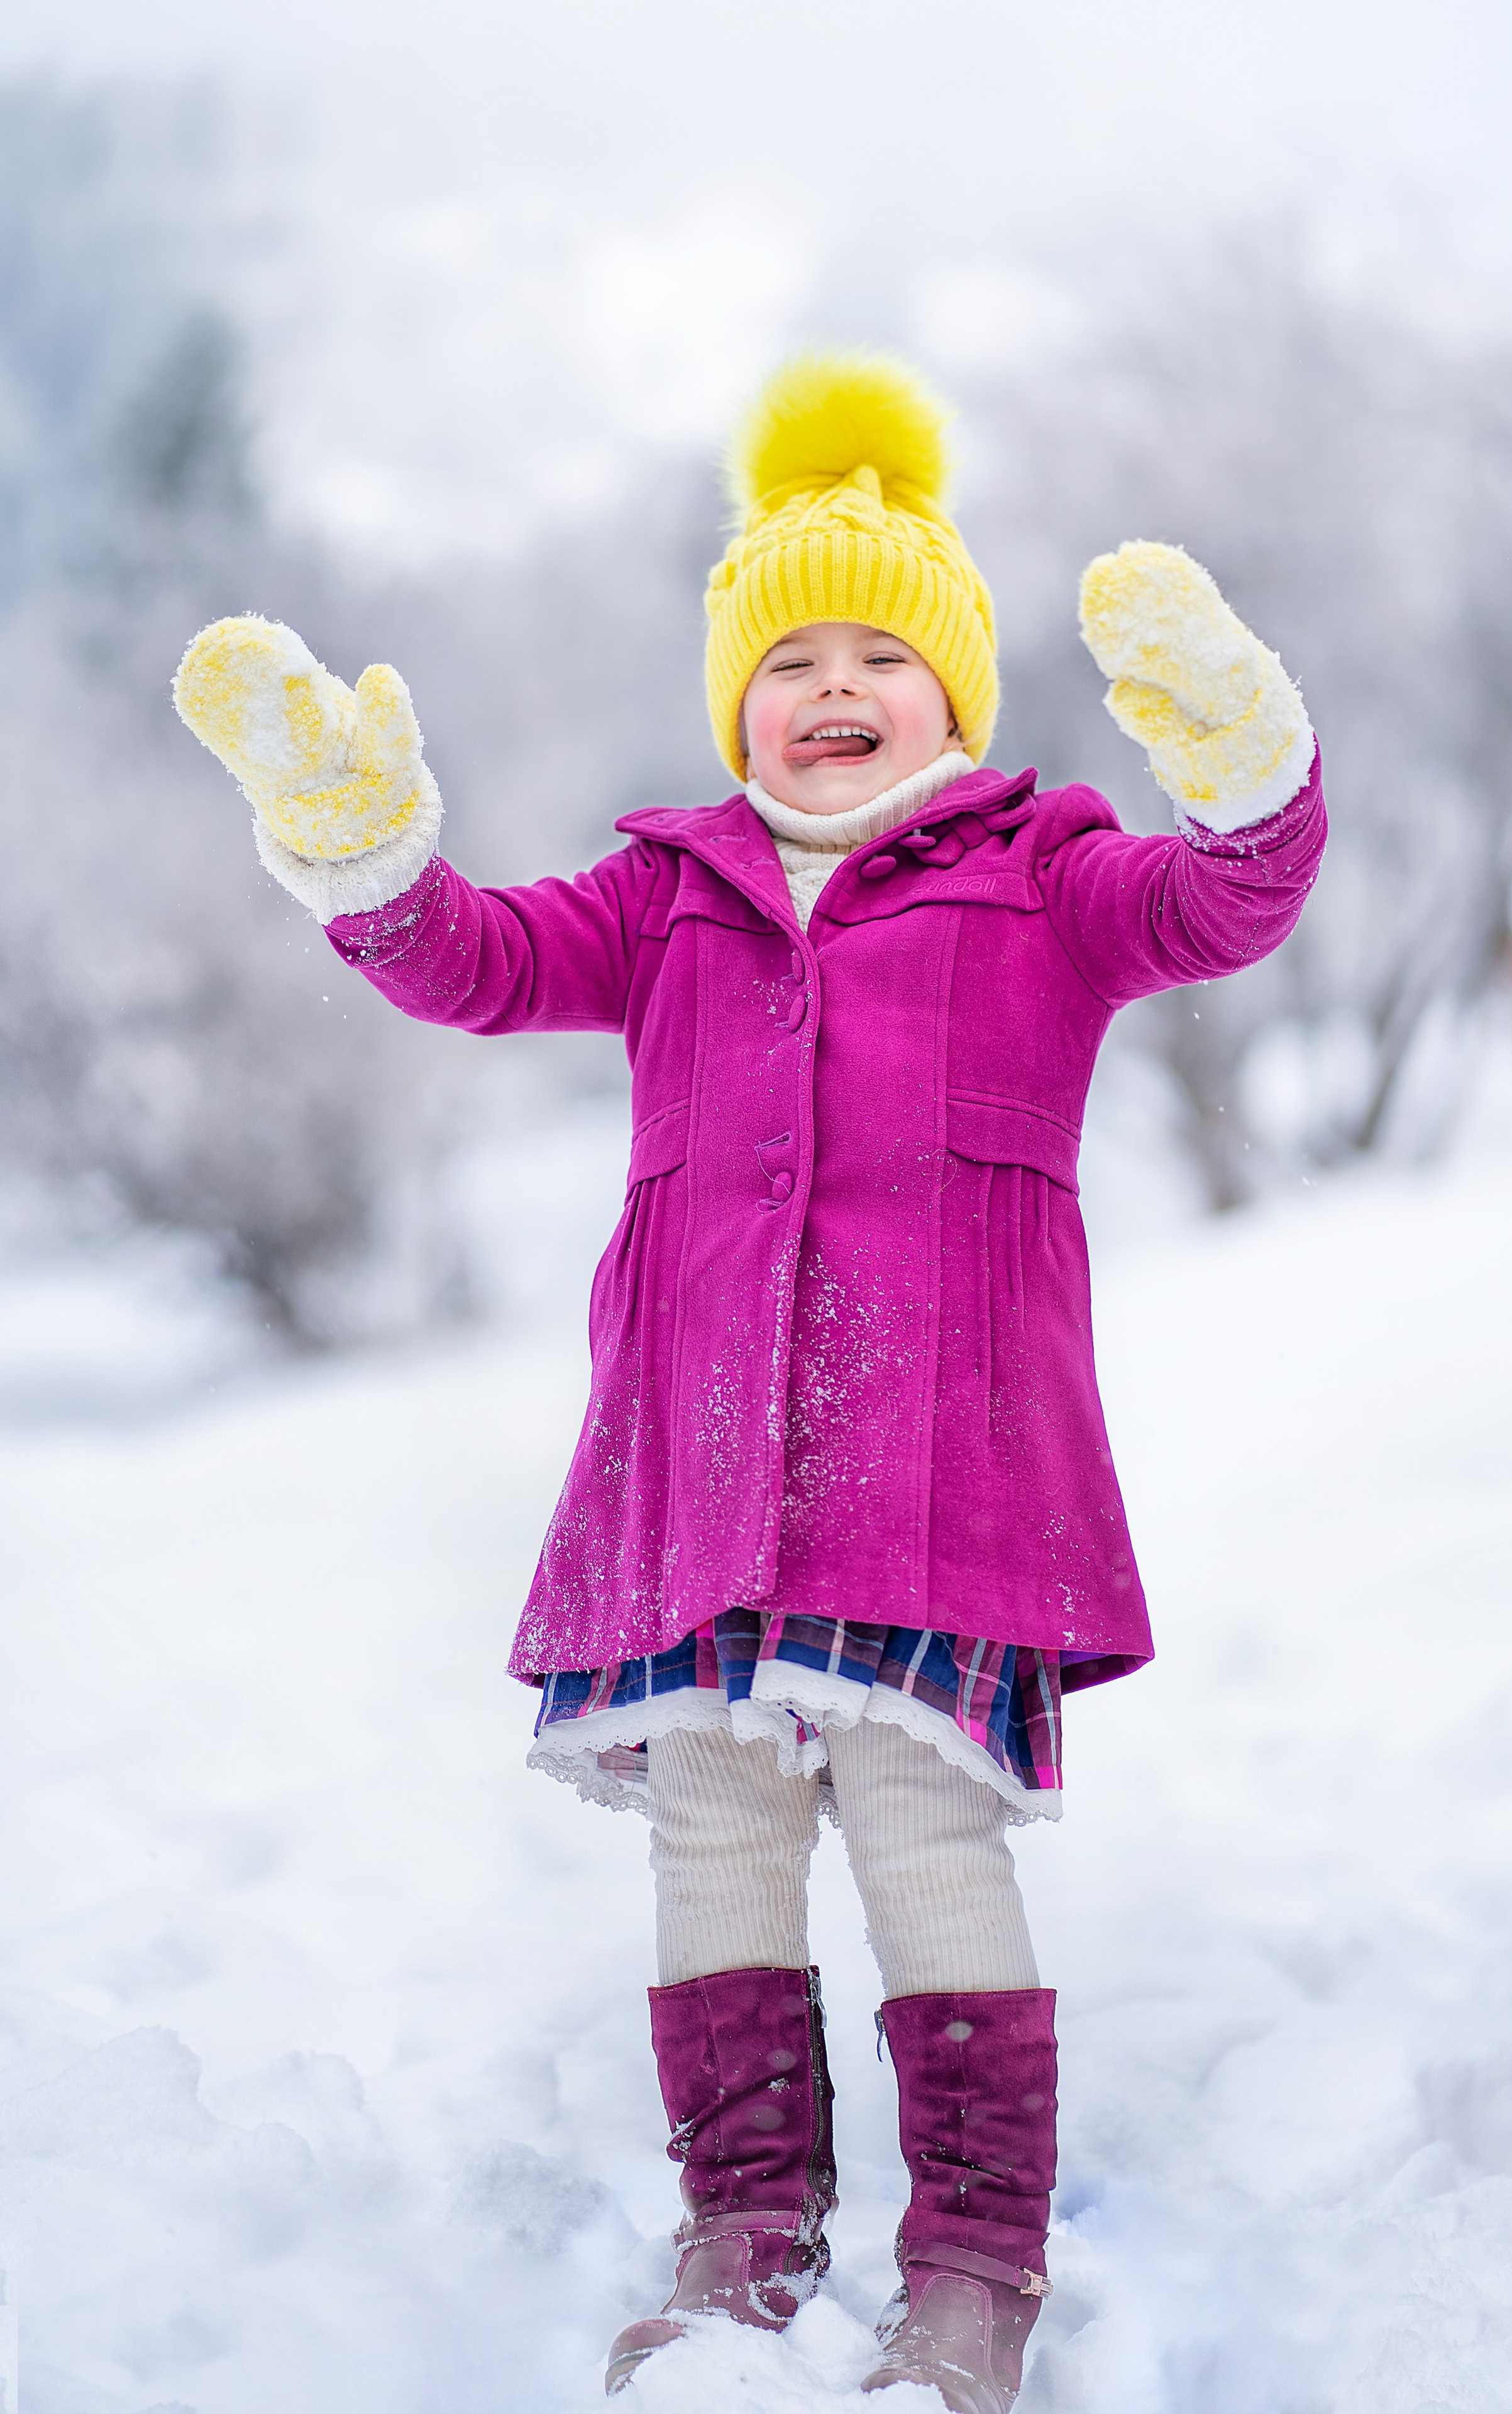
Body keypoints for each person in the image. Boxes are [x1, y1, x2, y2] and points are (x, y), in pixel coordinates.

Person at [174, 353, 1325, 2411]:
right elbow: (479, 961)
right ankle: (749, 2225)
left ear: (955, 695)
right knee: (710, 1831)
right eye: (788, 652)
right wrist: (362, 858)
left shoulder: (1043, 874)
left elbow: (1225, 902)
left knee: (921, 1832)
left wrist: (1242, 765)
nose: (833, 683)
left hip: (941, 1473)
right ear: (735, 703)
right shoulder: (666, 893)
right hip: (696, 1478)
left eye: (885, 646)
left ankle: (973, 2258)